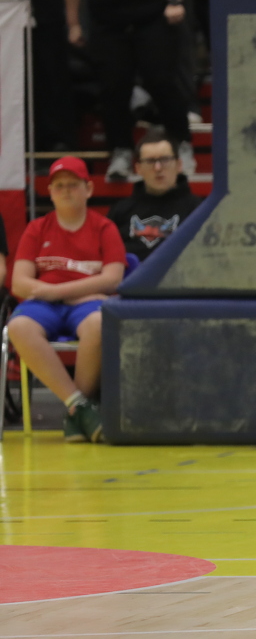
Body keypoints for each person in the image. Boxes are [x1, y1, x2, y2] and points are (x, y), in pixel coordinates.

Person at [65, 0, 193, 183]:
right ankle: (121, 152)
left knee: (162, 82)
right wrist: (74, 23)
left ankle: (181, 145)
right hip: (108, 27)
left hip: (151, 21)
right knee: (112, 89)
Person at [7, 157, 127, 443]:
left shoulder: (105, 228)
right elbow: (19, 283)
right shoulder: (37, 228)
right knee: (18, 327)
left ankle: (76, 412)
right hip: (44, 305)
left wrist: (56, 291)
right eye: (58, 186)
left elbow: (114, 279)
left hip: (85, 305)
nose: (65, 191)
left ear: (88, 188)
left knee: (98, 323)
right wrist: (63, 293)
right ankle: (79, 407)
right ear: (50, 192)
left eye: (73, 184)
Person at [8, 0, 74, 151]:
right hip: (11, 21)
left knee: (50, 81)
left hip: (44, 16)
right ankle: (23, 143)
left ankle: (57, 141)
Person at [106, 128, 202, 262]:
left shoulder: (199, 210)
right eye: (150, 161)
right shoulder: (119, 212)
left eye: (165, 159)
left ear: (179, 165)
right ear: (138, 168)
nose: (158, 168)